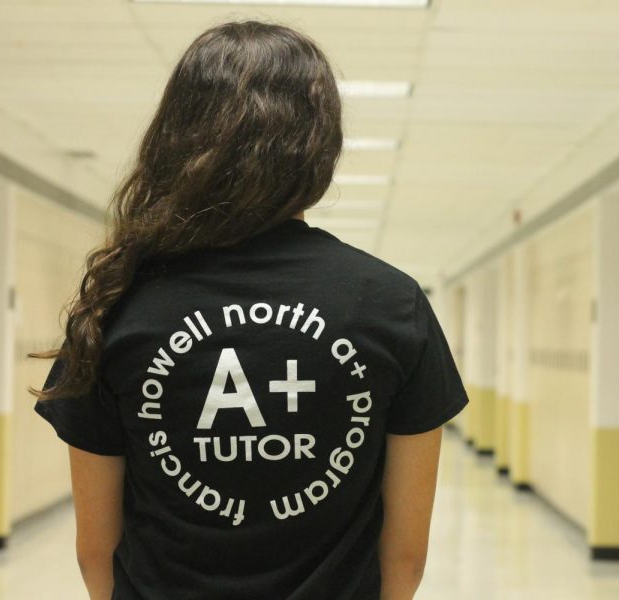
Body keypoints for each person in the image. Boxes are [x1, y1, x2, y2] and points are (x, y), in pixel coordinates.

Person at [30, 20, 468, 600]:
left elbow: (96, 554)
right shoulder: (392, 304)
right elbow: (406, 558)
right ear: (321, 145)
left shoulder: (118, 306)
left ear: (176, 137)